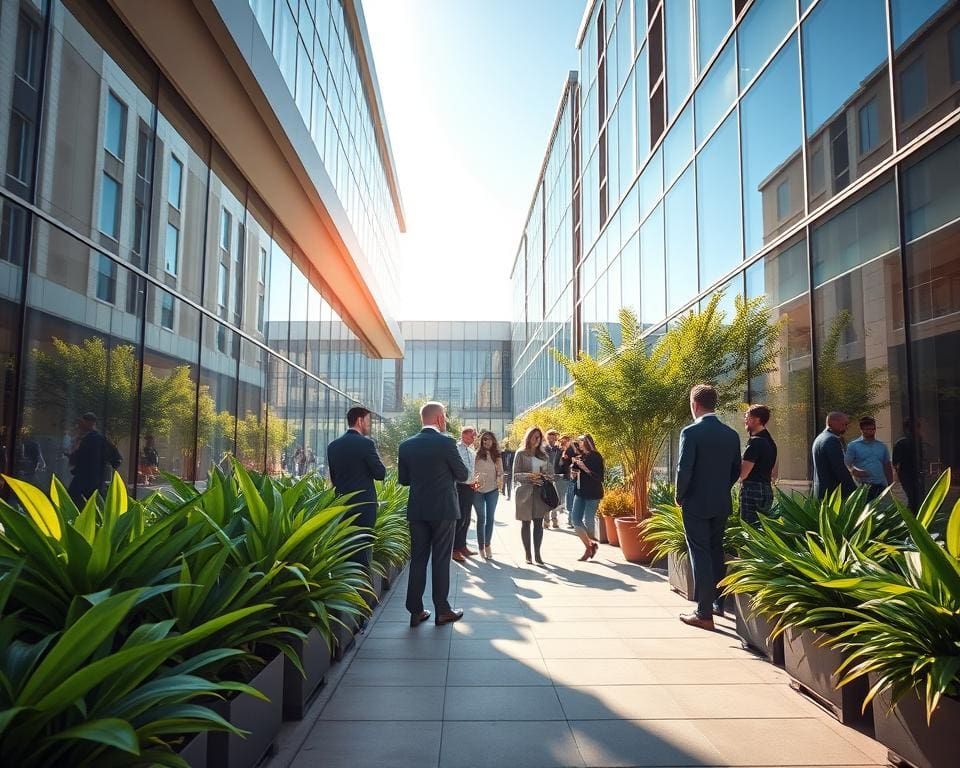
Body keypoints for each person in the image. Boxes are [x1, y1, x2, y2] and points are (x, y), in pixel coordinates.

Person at [675, 384, 741, 630]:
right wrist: (721, 488)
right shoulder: (732, 434)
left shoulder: (690, 433)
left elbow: (685, 468)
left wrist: (680, 495)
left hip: (695, 503)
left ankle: (704, 613)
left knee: (700, 553)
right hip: (721, 502)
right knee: (715, 551)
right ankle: (717, 604)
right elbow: (735, 469)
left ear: (694, 405)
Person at [398, 401, 467, 627]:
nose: (445, 419)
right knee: (440, 560)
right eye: (445, 416)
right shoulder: (446, 442)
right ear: (439, 419)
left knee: (418, 560)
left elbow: (404, 480)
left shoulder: (406, 445)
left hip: (418, 510)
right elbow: (463, 473)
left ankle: (415, 611)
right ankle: (442, 611)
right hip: (444, 510)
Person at [327, 406, 387, 568]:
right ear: (360, 420)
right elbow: (380, 474)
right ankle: (363, 588)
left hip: (342, 506)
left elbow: (334, 478)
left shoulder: (333, 446)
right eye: (369, 421)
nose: (370, 425)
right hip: (364, 507)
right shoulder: (366, 444)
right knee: (363, 548)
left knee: (346, 549)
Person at [513, 426, 554, 565]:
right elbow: (516, 475)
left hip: (540, 492)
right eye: (534, 436)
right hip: (524, 493)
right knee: (526, 523)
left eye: (539, 437)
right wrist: (530, 476)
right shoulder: (520, 453)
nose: (537, 439)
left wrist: (546, 475)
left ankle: (537, 554)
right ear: (529, 437)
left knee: (538, 523)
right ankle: (528, 555)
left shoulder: (543, 455)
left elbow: (550, 474)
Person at [68, 412, 122, 507]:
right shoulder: (93, 438)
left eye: (82, 422)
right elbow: (116, 459)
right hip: (90, 479)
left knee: (76, 501)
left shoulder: (96, 439)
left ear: (91, 423)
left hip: (89, 480)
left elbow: (116, 458)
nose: (79, 426)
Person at [739, 405, 777, 526]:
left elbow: (743, 474)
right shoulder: (770, 442)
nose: (745, 420)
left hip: (752, 490)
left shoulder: (755, 443)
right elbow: (774, 471)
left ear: (756, 419)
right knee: (761, 531)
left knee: (750, 530)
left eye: (747, 417)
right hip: (766, 489)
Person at [570, 433, 603, 561]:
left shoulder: (596, 457)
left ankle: (589, 546)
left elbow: (599, 477)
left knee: (589, 521)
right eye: (579, 442)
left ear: (588, 442)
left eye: (581, 441)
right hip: (580, 491)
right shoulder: (582, 456)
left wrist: (585, 468)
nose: (579, 444)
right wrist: (573, 473)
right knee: (575, 520)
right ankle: (590, 545)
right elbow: (575, 472)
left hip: (593, 493)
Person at [845, 416, 893, 501]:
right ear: (862, 430)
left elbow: (887, 465)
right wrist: (854, 471)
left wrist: (890, 484)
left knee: (882, 510)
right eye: (868, 429)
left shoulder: (882, 446)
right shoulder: (853, 446)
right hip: (863, 486)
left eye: (873, 429)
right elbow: (847, 464)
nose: (871, 432)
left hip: (881, 485)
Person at [472, 431, 504, 559]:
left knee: (490, 518)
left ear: (493, 441)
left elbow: (501, 472)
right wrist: (474, 486)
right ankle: (480, 547)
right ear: (481, 441)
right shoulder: (476, 455)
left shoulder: (497, 456)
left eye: (490, 439)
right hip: (477, 491)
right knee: (481, 518)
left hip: (492, 490)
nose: (487, 441)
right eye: (485, 439)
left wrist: (500, 481)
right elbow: (471, 473)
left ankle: (487, 544)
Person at [812, 412, 856, 500]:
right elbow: (839, 468)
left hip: (822, 492)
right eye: (844, 424)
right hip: (833, 495)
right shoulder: (831, 440)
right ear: (833, 423)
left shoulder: (820, 438)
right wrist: (854, 491)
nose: (846, 428)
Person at [452, 426, 478, 562]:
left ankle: (462, 546)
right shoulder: (455, 448)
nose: (473, 438)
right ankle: (454, 549)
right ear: (463, 435)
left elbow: (473, 471)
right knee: (460, 518)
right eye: (471, 435)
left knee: (467, 518)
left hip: (470, 487)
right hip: (459, 487)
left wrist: (476, 484)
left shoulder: (471, 451)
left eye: (474, 436)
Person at [892, 419, 923, 511]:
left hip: (909, 474)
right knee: (913, 497)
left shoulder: (901, 442)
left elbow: (895, 462)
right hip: (909, 474)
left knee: (912, 497)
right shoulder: (916, 442)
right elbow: (896, 463)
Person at [544, 429, 564, 529]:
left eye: (553, 436)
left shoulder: (559, 449)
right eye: (550, 436)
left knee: (556, 499)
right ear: (547, 437)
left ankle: (554, 519)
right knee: (547, 499)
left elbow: (561, 463)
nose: (552, 438)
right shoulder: (543, 449)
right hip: (546, 477)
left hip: (556, 476)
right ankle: (546, 521)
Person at [562, 437, 581, 528]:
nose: (563, 442)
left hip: (573, 477)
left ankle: (572, 521)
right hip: (569, 476)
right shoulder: (565, 449)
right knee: (570, 498)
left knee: (571, 498)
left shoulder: (573, 448)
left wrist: (572, 446)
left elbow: (577, 455)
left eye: (565, 440)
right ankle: (571, 520)